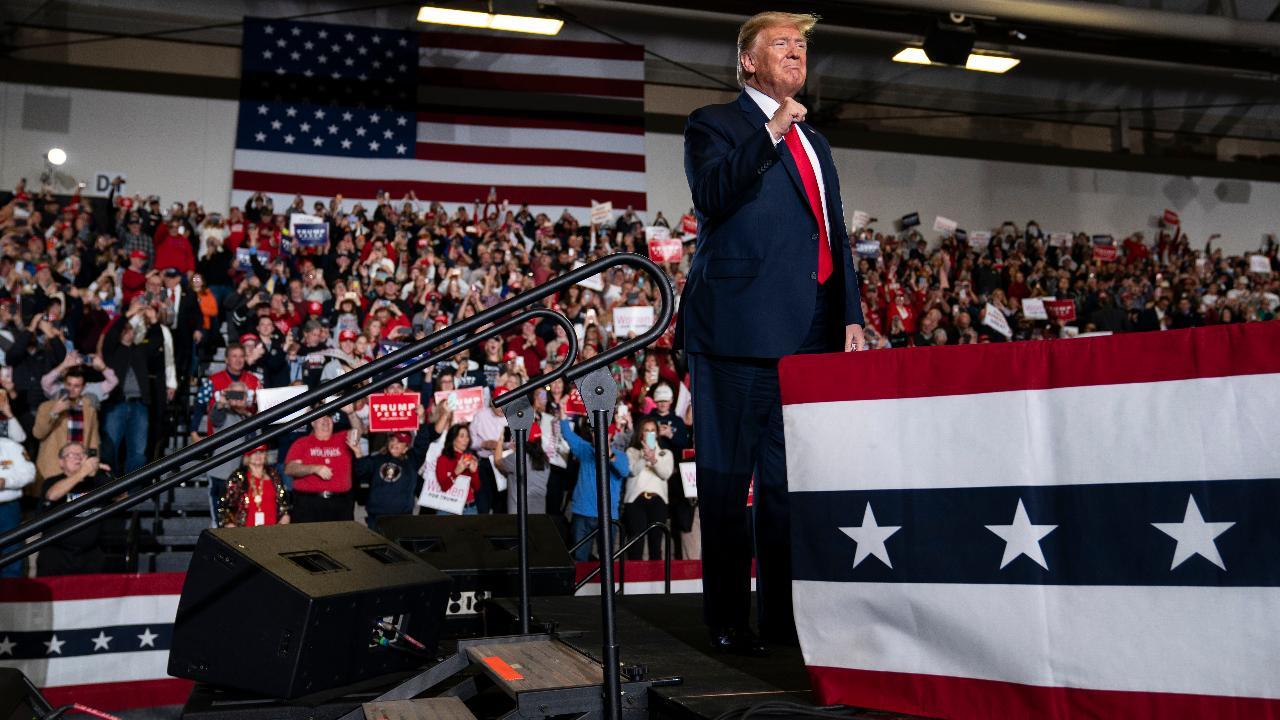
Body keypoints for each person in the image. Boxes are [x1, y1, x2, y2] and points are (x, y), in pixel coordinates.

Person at [681, 11, 865, 652]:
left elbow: (832, 231)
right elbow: (712, 194)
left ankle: (784, 624)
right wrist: (769, 132)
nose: (796, 53)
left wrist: (851, 314)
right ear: (748, 63)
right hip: (736, 331)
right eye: (782, 44)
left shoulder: (817, 141)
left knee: (788, 489)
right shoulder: (715, 123)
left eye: (803, 45)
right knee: (729, 485)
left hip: (812, 330)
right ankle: (728, 622)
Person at [560, 411, 629, 562]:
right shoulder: (585, 449)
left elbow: (624, 471)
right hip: (582, 513)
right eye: (594, 431)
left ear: (609, 435)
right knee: (579, 558)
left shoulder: (621, 455)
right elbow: (567, 434)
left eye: (601, 432)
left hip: (608, 516)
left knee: (607, 560)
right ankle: (581, 587)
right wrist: (563, 415)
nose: (596, 435)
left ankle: (604, 587)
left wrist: (609, 455)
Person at [37, 442, 113, 575]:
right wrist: (83, 472)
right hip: (57, 558)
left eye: (81, 454)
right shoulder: (52, 482)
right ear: (61, 462)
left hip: (90, 557)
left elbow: (122, 496)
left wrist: (101, 473)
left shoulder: (97, 482)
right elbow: (52, 495)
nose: (77, 457)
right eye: (72, 454)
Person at [284, 411, 362, 522]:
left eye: (329, 417)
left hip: (340, 504)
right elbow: (290, 469)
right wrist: (314, 468)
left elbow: (358, 432)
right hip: (308, 504)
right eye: (321, 417)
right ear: (312, 422)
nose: (326, 420)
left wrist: (351, 414)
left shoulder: (342, 438)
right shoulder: (302, 443)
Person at [33, 367, 101, 487]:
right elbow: (38, 434)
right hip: (53, 467)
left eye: (76, 386)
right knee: (54, 502)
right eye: (68, 384)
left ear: (83, 387)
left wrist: (92, 465)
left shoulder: (90, 409)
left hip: (80, 466)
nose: (71, 389)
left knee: (79, 503)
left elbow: (93, 441)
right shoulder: (46, 406)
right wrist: (54, 412)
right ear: (64, 384)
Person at [623, 417, 674, 560]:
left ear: (657, 434)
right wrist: (645, 458)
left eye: (652, 430)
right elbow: (632, 471)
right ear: (641, 433)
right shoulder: (632, 451)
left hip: (658, 501)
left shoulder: (666, 453)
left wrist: (654, 459)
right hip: (635, 501)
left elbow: (666, 474)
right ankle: (633, 580)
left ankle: (656, 580)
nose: (649, 433)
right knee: (635, 544)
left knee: (656, 544)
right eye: (646, 430)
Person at [217, 445, 290, 527]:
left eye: (261, 452)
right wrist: (229, 524)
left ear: (265, 455)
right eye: (254, 453)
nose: (258, 456)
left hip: (272, 531)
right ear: (247, 456)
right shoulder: (238, 477)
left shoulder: (274, 475)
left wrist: (284, 518)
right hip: (244, 532)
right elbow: (224, 505)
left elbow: (283, 505)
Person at [497, 420, 551, 516]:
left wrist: (500, 440)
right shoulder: (545, 459)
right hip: (539, 514)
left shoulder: (518, 458)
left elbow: (498, 462)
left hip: (518, 515)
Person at [0, 433, 36, 577]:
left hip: (7, 508)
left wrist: (6, 481)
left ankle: (12, 595)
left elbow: (29, 473)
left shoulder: (11, 445)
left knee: (12, 553)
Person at [434, 424, 480, 515]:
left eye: (467, 436)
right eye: (462, 436)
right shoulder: (443, 459)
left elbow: (477, 488)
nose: (466, 440)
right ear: (453, 439)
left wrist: (474, 472)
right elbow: (444, 486)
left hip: (469, 508)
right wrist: (456, 471)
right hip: (447, 508)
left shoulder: (470, 458)